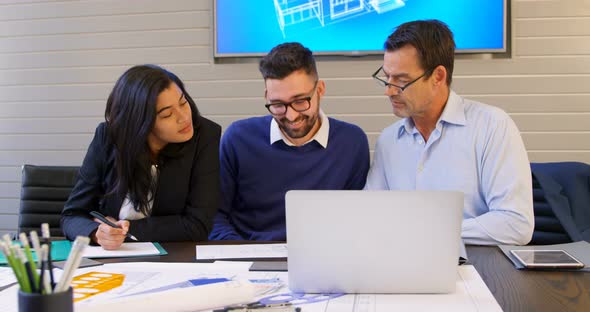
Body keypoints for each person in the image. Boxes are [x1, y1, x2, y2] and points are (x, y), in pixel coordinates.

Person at [365, 20, 534, 245]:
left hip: (477, 266)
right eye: (386, 77)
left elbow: (516, 224)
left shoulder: (492, 126)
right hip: (402, 265)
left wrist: (430, 233)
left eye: (402, 81)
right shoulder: (389, 140)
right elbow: (371, 215)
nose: (389, 91)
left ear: (438, 77)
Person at [209, 42, 370, 241]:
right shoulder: (238, 138)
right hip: (252, 259)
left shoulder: (352, 142)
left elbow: (357, 220)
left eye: (300, 101)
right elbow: (215, 216)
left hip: (324, 258)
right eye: (278, 105)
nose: (291, 116)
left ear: (319, 89)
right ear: (267, 96)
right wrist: (244, 256)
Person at [61, 65, 221, 250]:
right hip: (112, 259)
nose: (184, 117)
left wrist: (123, 230)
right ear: (140, 122)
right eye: (167, 114)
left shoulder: (204, 136)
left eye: (183, 103)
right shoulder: (108, 137)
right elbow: (71, 216)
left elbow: (197, 225)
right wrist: (97, 233)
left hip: (174, 257)